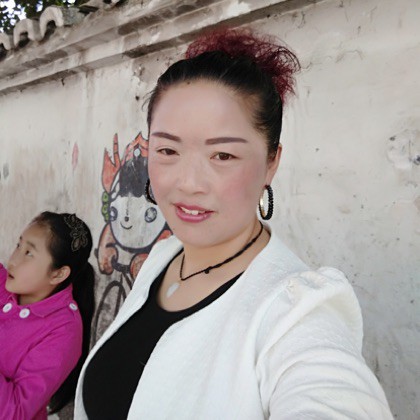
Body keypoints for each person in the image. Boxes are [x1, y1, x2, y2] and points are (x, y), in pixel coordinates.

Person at [75, 28, 392, 419]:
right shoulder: (162, 257)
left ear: (271, 162)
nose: (188, 183)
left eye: (222, 156)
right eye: (168, 150)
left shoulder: (296, 312)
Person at [0, 211, 95, 419]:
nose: (13, 260)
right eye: (18, 245)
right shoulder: (5, 282)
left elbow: (14, 412)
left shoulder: (63, 331)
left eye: (29, 253)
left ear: (58, 274)